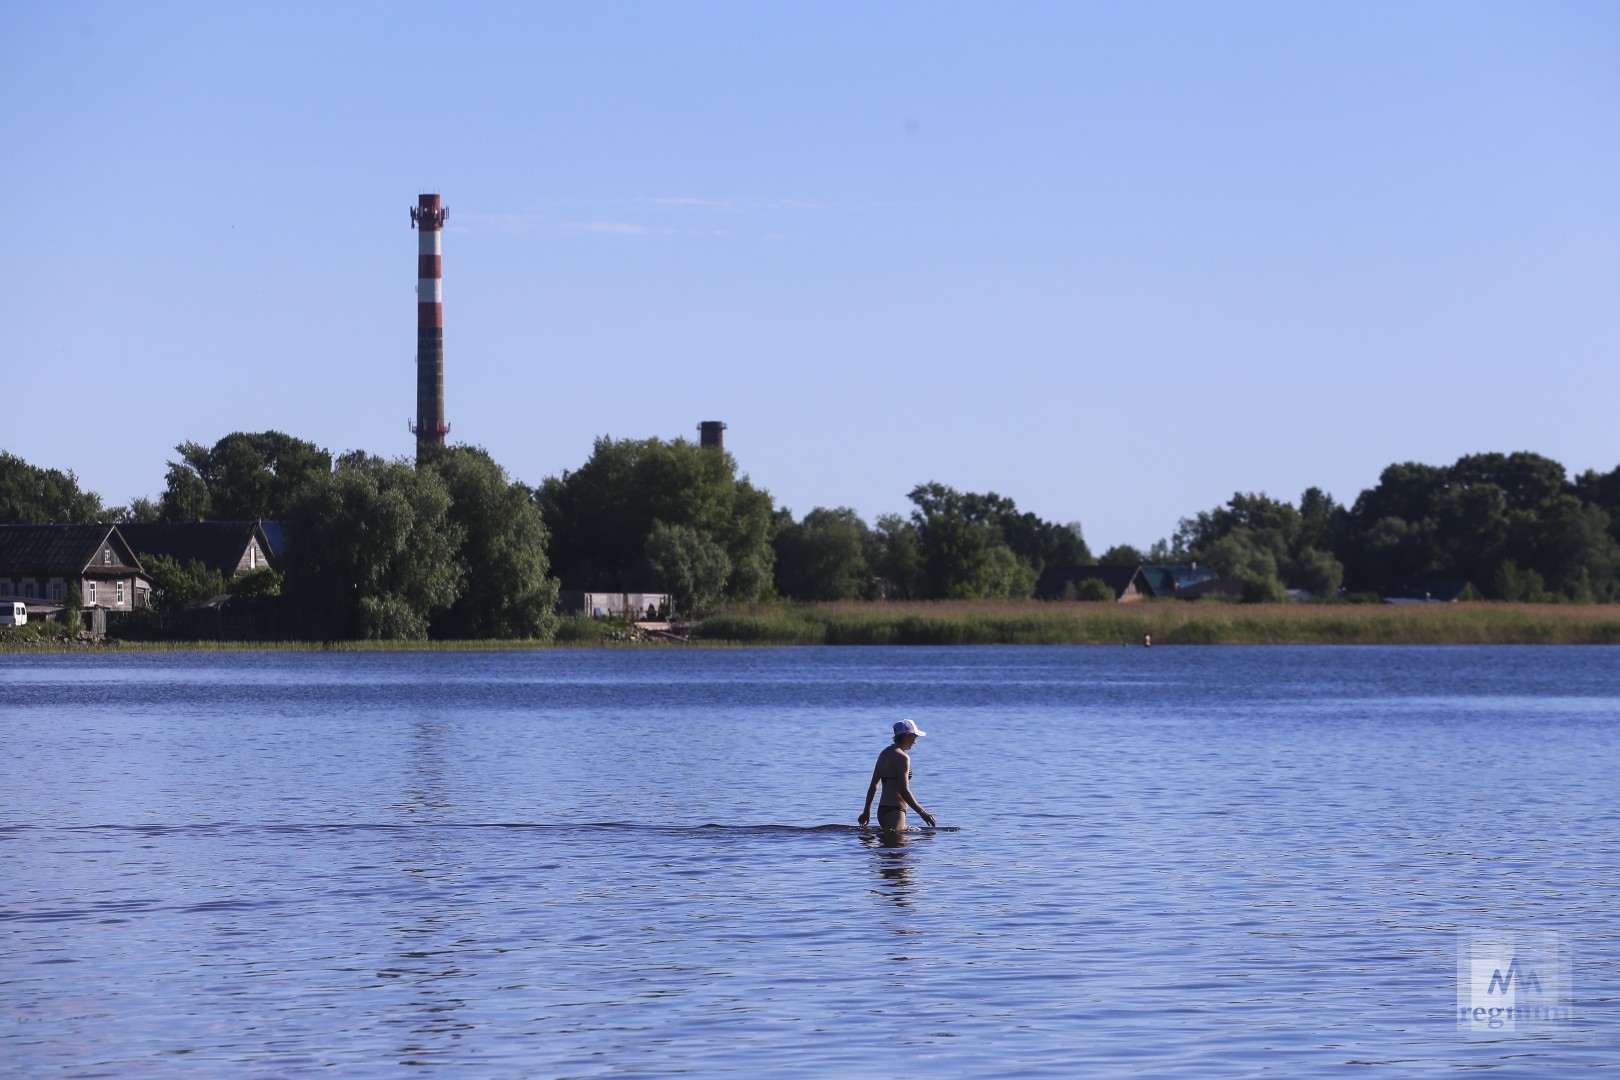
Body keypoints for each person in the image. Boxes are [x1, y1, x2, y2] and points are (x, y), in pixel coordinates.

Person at [859, 718, 937, 832]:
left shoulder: (884, 753)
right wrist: (922, 813)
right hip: (895, 811)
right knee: (899, 847)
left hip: (882, 810)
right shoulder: (903, 758)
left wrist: (866, 812)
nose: (915, 742)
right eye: (914, 737)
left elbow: (873, 786)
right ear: (907, 735)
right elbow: (904, 791)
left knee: (889, 847)